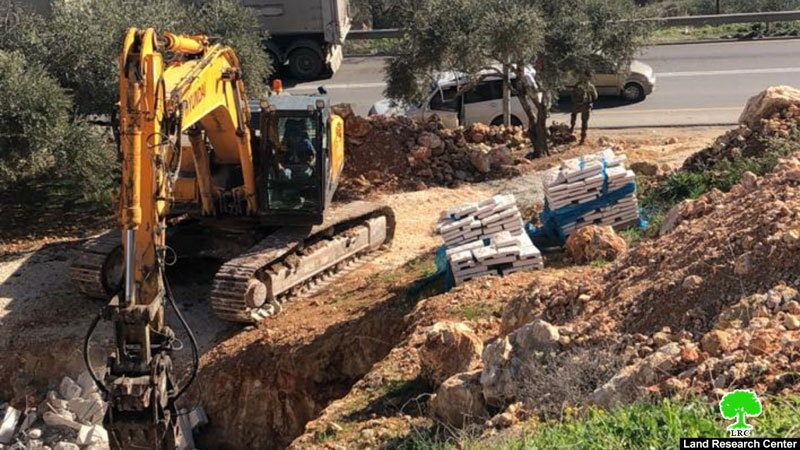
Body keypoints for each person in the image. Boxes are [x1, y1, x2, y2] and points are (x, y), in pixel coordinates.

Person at [570, 75, 598, 145]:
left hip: (576, 105)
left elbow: (572, 96)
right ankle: (582, 138)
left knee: (574, 115)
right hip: (586, 106)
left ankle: (572, 128)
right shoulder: (590, 86)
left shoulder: (577, 85)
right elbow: (595, 97)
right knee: (584, 122)